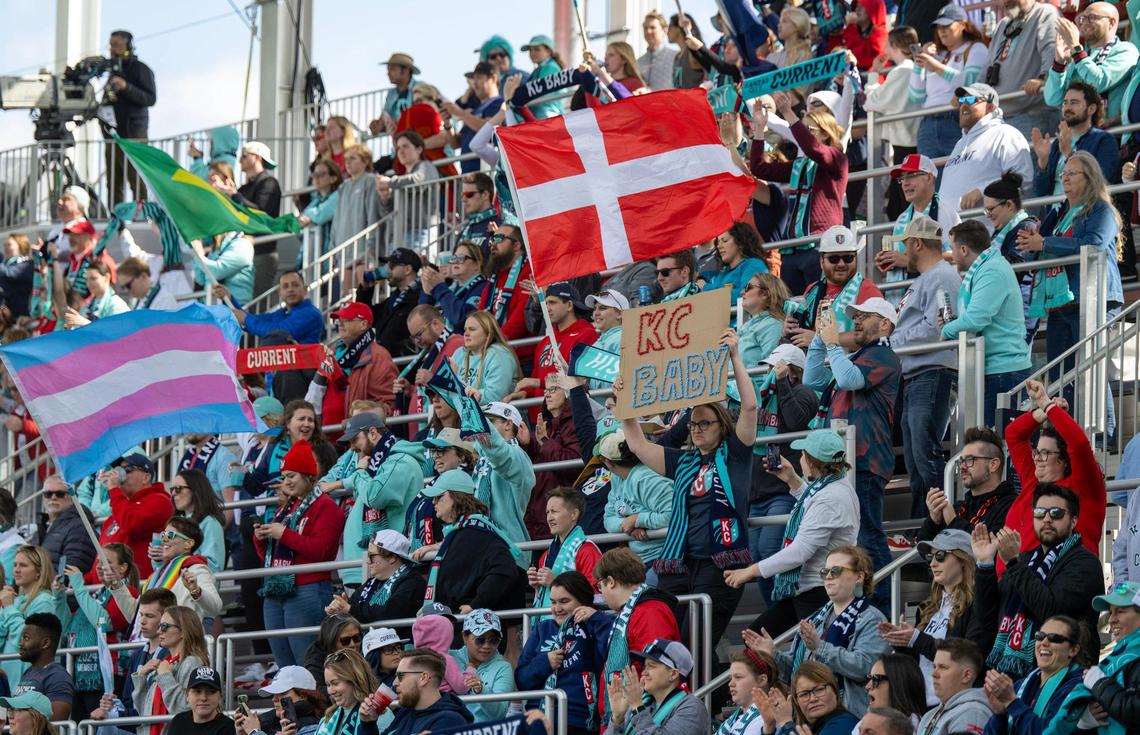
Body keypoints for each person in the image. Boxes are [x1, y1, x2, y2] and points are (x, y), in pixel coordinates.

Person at [618, 327, 757, 646]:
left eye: (704, 423)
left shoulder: (736, 454)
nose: (696, 429)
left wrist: (735, 357)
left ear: (721, 426)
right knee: (665, 639)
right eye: (692, 423)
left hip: (720, 561)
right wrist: (625, 404)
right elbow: (638, 445)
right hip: (679, 563)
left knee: (698, 643)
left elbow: (749, 409)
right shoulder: (683, 461)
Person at [803, 298, 900, 602]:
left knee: (868, 537)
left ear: (884, 324)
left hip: (865, 461)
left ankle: (882, 610)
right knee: (856, 540)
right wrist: (821, 340)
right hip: (849, 462)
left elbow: (848, 379)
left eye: (864, 316)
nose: (856, 321)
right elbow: (813, 379)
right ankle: (869, 607)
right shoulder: (858, 357)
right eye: (855, 316)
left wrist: (833, 345)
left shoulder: (884, 355)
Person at [726, 430, 859, 637]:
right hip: (807, 588)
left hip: (817, 592)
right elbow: (811, 505)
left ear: (813, 462)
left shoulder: (831, 497)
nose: (800, 458)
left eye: (803, 454)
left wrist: (750, 571)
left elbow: (799, 552)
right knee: (754, 638)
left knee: (809, 661)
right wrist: (792, 479)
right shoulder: (834, 486)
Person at [973, 483, 1104, 678]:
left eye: (1056, 513)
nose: (1047, 519)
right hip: (1010, 677)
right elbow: (987, 619)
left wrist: (1012, 563)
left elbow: (1051, 611)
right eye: (1040, 513)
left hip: (1061, 677)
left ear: (1074, 520)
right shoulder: (1025, 560)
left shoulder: (1084, 562)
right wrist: (984, 565)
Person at [1018, 151, 1123, 387]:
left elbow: (1093, 244)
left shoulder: (1100, 210)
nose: (1065, 178)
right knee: (1059, 378)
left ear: (1089, 177)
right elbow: (1041, 249)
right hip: (1061, 302)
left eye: (1072, 173)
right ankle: (1064, 425)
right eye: (1063, 173)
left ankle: (1102, 425)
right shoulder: (1058, 213)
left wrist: (1044, 242)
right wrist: (1031, 242)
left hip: (1092, 298)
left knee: (1090, 376)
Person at [744, 546, 889, 718]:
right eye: (825, 571)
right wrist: (773, 654)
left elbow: (865, 668)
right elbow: (796, 673)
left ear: (859, 576)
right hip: (807, 715)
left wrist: (819, 648)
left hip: (847, 716)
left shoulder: (872, 619)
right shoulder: (816, 618)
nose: (828, 577)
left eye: (836, 571)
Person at [882, 215, 961, 518]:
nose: (906, 252)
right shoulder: (930, 278)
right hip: (919, 372)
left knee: (924, 454)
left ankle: (936, 521)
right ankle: (924, 521)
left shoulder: (942, 277)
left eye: (907, 244)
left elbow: (939, 326)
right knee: (917, 456)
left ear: (916, 243)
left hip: (933, 370)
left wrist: (894, 340)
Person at [252, 440, 346, 667]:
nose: (286, 482)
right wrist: (261, 538)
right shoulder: (287, 508)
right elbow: (269, 557)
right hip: (276, 590)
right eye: (284, 477)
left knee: (308, 665)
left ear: (308, 475)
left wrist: (283, 534)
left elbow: (323, 551)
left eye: (291, 475)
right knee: (285, 668)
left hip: (307, 590)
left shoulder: (326, 506)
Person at [750, 93, 848, 295]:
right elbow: (760, 169)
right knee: (795, 312)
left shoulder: (837, 158)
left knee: (822, 307)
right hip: (793, 249)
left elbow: (814, 149)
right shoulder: (799, 165)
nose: (804, 136)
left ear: (825, 133)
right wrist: (759, 130)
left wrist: (788, 113)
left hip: (820, 246)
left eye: (809, 130)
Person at [941, 220, 1031, 426]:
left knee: (998, 447)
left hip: (1004, 372)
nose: (951, 255)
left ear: (964, 249)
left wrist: (947, 330)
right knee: (992, 446)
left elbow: (975, 320)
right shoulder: (987, 267)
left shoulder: (992, 270)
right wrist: (956, 323)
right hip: (996, 369)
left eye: (952, 249)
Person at [1003, 379, 1105, 558]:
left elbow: (1079, 444)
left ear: (1064, 460)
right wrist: (1042, 414)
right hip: (1011, 583)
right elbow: (1013, 435)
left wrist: (1048, 404)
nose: (1036, 458)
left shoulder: (1083, 486)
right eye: (1036, 452)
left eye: (1045, 453)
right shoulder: (1032, 481)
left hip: (1062, 581)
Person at [880, 530, 982, 703]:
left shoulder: (976, 606)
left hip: (954, 703)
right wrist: (902, 643)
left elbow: (964, 657)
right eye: (930, 557)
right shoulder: (929, 607)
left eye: (940, 556)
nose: (933, 563)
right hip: (922, 704)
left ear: (963, 560)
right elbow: (921, 660)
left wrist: (915, 639)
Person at [516, 570, 613, 734]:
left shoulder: (597, 626)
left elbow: (612, 654)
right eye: (553, 602)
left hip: (579, 721)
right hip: (538, 719)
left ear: (583, 601)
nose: (557, 608)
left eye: (564, 601)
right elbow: (522, 680)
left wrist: (598, 620)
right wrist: (544, 663)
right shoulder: (542, 629)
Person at [419, 469, 524, 613]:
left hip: (468, 625)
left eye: (439, 496)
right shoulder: (459, 532)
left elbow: (505, 568)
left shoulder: (478, 532)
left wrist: (476, 604)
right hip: (450, 620)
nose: (433, 502)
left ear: (456, 497)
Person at [1045, 581, 1140, 733]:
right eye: (1110, 612)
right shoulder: (1118, 657)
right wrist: (1084, 720)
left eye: (1120, 611)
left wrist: (1100, 684)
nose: (1111, 619)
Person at [594, 547, 681, 710]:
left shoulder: (650, 612)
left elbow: (659, 670)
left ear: (611, 581)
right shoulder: (633, 612)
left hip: (645, 716)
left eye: (600, 586)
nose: (601, 593)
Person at [937, 83, 1034, 214]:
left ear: (990, 106)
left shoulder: (1005, 133)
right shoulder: (960, 144)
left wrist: (982, 191)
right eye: (961, 100)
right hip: (953, 231)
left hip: (987, 230)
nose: (964, 105)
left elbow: (1022, 178)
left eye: (971, 100)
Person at [981, 614, 1086, 735]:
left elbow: (1048, 732)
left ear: (1073, 650)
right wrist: (1000, 714)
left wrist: (1012, 702)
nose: (1044, 642)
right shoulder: (1020, 684)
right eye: (1040, 636)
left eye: (1054, 638)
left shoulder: (1078, 687)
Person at [908, 5, 989, 159]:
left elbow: (972, 83)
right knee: (927, 180)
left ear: (963, 25)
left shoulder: (976, 48)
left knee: (959, 177)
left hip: (958, 119)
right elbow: (915, 95)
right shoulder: (936, 54)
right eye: (938, 27)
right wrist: (919, 63)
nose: (942, 31)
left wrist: (937, 67)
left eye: (947, 26)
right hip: (928, 123)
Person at [785, 226, 883, 351]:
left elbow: (874, 335)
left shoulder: (868, 290)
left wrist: (820, 340)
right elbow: (804, 330)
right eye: (834, 259)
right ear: (821, 261)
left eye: (848, 258)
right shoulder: (812, 289)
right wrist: (790, 328)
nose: (841, 264)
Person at [876, 155, 957, 297]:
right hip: (901, 299)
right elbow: (899, 257)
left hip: (934, 299)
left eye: (911, 176)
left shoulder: (945, 213)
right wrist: (887, 260)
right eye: (902, 179)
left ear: (929, 178)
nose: (904, 183)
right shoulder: (902, 218)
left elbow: (957, 255)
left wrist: (908, 261)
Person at [598, 426, 675, 571]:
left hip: (667, 555)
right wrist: (628, 526)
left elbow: (673, 515)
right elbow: (608, 519)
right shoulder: (616, 477)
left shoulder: (647, 479)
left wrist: (637, 519)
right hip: (639, 560)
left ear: (608, 463)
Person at [309, 302, 398, 428]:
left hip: (355, 438)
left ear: (363, 324)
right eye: (339, 319)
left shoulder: (378, 356)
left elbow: (388, 404)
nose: (340, 323)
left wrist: (356, 423)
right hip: (326, 434)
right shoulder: (332, 353)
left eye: (347, 319)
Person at [1044, 2, 1138, 120]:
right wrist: (1059, 63)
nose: (1085, 23)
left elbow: (1098, 83)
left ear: (1111, 22)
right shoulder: (1078, 58)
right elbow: (1052, 99)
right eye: (1083, 18)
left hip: (1111, 134)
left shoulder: (1126, 50)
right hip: (1078, 134)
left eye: (1092, 17)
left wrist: (1076, 49)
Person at [866, 29, 922, 221]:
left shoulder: (902, 70)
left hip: (905, 142)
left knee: (901, 207)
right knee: (898, 205)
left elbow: (873, 101)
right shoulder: (911, 68)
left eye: (888, 43)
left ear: (895, 46)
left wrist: (874, 74)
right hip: (907, 139)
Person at [1031, 82, 1120, 200]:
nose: (1067, 108)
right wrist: (1043, 161)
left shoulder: (1104, 141)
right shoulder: (1057, 144)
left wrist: (1070, 155)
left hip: (1085, 214)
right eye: (1065, 103)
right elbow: (1040, 192)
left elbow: (1101, 182)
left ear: (1091, 109)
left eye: (1074, 103)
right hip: (1057, 216)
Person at [985, 0, 1060, 137]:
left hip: (1032, 114)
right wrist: (975, 92)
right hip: (998, 117)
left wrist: (1044, 78)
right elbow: (988, 66)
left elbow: (1052, 50)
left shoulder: (1044, 12)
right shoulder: (1003, 23)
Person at [132, 606, 210, 733]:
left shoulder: (192, 663)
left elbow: (185, 709)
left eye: (164, 626)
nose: (159, 631)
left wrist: (165, 676)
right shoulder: (166, 663)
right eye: (159, 626)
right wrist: (141, 678)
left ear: (183, 631)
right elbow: (144, 712)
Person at [606, 639, 709, 734]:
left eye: (651, 666)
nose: (643, 673)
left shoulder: (692, 708)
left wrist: (637, 706)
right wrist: (617, 718)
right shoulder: (644, 701)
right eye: (644, 667)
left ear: (673, 674)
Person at [325, 530, 425, 627]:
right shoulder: (371, 583)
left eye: (371, 556)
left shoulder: (413, 582)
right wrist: (339, 608)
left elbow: (388, 613)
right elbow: (353, 607)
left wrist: (350, 609)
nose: (368, 561)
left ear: (392, 557)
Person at [96, 453, 172, 578]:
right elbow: (102, 556)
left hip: (139, 588)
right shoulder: (119, 508)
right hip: (112, 590)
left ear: (146, 477)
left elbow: (131, 526)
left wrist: (115, 490)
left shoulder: (160, 501)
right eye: (119, 470)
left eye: (128, 469)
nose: (121, 474)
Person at [101, 30, 156, 205]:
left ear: (128, 46)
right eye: (111, 45)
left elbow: (150, 98)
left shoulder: (141, 69)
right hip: (113, 136)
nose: (112, 49)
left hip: (133, 136)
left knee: (136, 177)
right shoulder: (111, 72)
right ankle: (115, 216)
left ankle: (142, 214)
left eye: (116, 45)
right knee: (113, 181)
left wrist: (126, 87)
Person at [137, 517, 222, 624]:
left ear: (188, 544)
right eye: (163, 535)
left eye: (170, 535)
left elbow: (215, 606)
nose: (164, 540)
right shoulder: (159, 573)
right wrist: (118, 587)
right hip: (155, 637)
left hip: (181, 636)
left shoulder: (196, 569)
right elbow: (135, 614)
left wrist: (196, 591)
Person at [530, 488, 602, 611]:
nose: (549, 518)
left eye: (554, 511)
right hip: (549, 625)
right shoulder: (545, 556)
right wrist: (537, 586)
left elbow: (599, 596)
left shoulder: (587, 550)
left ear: (574, 514)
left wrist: (557, 582)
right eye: (547, 512)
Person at [220, 270, 323, 346]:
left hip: (300, 374)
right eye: (285, 286)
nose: (290, 289)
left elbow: (279, 333)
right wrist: (228, 299)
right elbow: (254, 319)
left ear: (305, 290)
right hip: (282, 374)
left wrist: (245, 319)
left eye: (295, 285)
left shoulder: (311, 314)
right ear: (280, 293)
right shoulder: (283, 313)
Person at [383, 648, 474, 734]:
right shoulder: (405, 712)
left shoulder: (449, 721)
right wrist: (370, 722)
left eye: (400, 676)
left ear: (423, 678)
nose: (395, 683)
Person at [374, 131, 440, 250]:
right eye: (398, 148)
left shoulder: (426, 166)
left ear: (419, 149)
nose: (401, 151)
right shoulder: (401, 178)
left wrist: (389, 182)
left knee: (418, 268)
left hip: (421, 232)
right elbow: (389, 211)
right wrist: (386, 199)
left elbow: (417, 181)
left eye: (405, 146)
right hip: (400, 234)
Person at [757, 660, 859, 735]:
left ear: (835, 691)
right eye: (804, 694)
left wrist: (786, 722)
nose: (813, 699)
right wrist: (769, 726)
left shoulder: (844, 723)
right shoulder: (805, 728)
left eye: (819, 690)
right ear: (797, 702)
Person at [914, 638, 992, 735]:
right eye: (934, 667)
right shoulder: (929, 715)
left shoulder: (973, 712)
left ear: (966, 675)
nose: (934, 674)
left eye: (943, 667)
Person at [450, 609, 515, 722]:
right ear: (465, 637)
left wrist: (481, 689)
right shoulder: (449, 658)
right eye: (480, 640)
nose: (486, 646)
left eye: (494, 641)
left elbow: (499, 713)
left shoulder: (504, 668)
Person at [357, 249, 423, 358]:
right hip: (387, 365)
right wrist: (366, 290)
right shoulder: (394, 298)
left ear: (407, 269)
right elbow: (365, 317)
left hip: (404, 367)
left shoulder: (422, 296)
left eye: (391, 266)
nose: (387, 270)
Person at [451, 311, 521, 404]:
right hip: (465, 414)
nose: (466, 333)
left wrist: (456, 378)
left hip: (494, 416)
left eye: (472, 329)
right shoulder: (459, 354)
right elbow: (447, 393)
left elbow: (495, 395)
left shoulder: (499, 354)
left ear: (488, 333)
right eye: (465, 329)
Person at [447, 62, 503, 173]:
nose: (474, 83)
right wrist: (448, 125)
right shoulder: (474, 109)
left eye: (479, 77)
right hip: (468, 174)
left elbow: (487, 128)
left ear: (493, 78)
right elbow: (455, 144)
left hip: (487, 172)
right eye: (473, 78)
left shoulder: (500, 104)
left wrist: (461, 113)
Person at [13, 612, 71, 720]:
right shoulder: (28, 672)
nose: (20, 644)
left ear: (45, 643)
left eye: (26, 638)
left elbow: (54, 724)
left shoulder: (57, 676)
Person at [236, 665, 325, 735]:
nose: (274, 699)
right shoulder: (270, 723)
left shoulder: (312, 726)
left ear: (303, 696)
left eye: (282, 693)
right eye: (274, 693)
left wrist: (254, 732)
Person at [34, 475, 96, 573]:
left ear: (72, 498)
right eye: (48, 494)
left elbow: (71, 570)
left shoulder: (80, 527)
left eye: (60, 494)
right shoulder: (41, 527)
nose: (53, 498)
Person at [715, 648, 784, 735]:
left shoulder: (766, 718)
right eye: (730, 678)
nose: (730, 684)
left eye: (738, 677)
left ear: (762, 680)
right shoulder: (735, 718)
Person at [168, 469, 225, 573]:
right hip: (176, 585)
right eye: (171, 490)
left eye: (178, 489)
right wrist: (159, 560)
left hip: (198, 586)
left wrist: (181, 558)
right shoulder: (176, 523)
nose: (173, 494)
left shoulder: (210, 523)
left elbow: (214, 565)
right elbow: (164, 569)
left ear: (196, 489)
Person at [330, 144, 383, 254]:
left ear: (366, 161)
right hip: (342, 249)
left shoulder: (371, 180)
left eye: (352, 158)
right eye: (346, 159)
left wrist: (371, 245)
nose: (348, 162)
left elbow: (372, 214)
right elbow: (336, 219)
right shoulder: (343, 186)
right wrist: (332, 246)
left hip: (361, 250)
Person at [703, 224, 770, 308]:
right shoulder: (724, 272)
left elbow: (746, 295)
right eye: (718, 242)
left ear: (740, 242)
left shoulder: (754, 265)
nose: (719, 246)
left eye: (725, 241)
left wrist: (705, 288)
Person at [316, 648, 380, 735]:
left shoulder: (377, 714)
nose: (330, 691)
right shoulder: (327, 718)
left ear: (355, 680)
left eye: (335, 683)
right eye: (328, 685)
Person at [192, 228, 255, 306]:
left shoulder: (242, 245)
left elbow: (217, 272)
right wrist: (197, 255)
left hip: (236, 308)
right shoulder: (217, 247)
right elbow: (200, 279)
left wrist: (199, 255)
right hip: (213, 306)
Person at [302, 614, 365, 691]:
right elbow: (316, 691)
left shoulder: (366, 647)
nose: (352, 644)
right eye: (345, 641)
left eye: (356, 638)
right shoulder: (316, 659)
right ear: (331, 641)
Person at [864, 654, 929, 728]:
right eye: (869, 678)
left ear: (898, 684)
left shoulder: (915, 729)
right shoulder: (863, 724)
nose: (867, 686)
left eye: (876, 679)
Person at [165, 666, 234, 735]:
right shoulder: (178, 722)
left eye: (211, 692)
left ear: (220, 696)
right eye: (197, 691)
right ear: (187, 695)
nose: (203, 698)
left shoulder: (229, 728)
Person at [296, 158, 342, 262]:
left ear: (333, 178)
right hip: (313, 257)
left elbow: (320, 215)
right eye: (314, 174)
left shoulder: (339, 195)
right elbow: (298, 227)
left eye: (321, 174)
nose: (316, 178)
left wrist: (306, 217)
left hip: (331, 258)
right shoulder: (317, 200)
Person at [64, 259, 128, 328]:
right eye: (87, 279)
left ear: (107, 277)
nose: (89, 283)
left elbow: (117, 333)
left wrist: (86, 323)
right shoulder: (87, 306)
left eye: (93, 278)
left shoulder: (116, 305)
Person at [374, 53, 420, 135]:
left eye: (392, 69)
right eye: (388, 70)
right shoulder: (391, 94)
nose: (388, 73)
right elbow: (385, 117)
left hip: (421, 138)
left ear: (406, 70)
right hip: (402, 142)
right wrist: (378, 125)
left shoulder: (421, 88)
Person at [232, 142, 282, 216]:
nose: (240, 161)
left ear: (257, 157)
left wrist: (234, 195)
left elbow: (262, 212)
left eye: (244, 156)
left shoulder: (269, 182)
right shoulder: (245, 187)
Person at [638, 11, 678, 90]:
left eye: (652, 27)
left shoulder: (676, 57)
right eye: (645, 28)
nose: (648, 31)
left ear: (664, 31)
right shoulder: (638, 63)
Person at [0, 234, 34, 319]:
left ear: (21, 246)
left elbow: (8, 273)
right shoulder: (6, 264)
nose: (6, 248)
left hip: (19, 318)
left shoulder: (27, 265)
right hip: (5, 319)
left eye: (9, 245)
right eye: (5, 245)